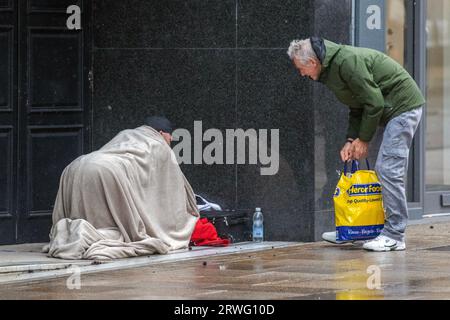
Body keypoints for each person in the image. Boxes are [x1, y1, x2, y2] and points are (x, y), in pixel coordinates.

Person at [287, 37, 425, 252]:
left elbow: (374, 101)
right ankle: (358, 229)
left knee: (388, 169)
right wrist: (352, 140)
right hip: (384, 110)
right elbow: (357, 105)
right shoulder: (330, 70)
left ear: (313, 63)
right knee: (370, 167)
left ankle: (395, 235)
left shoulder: (346, 62)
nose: (301, 73)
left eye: (301, 68)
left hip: (402, 108)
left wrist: (364, 139)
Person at [44, 116, 199, 260]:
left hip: (74, 168)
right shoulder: (159, 145)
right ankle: (83, 235)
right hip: (108, 171)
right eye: (169, 137)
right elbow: (171, 187)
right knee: (111, 230)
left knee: (89, 219)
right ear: (160, 133)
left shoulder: (125, 134)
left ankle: (70, 233)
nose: (170, 140)